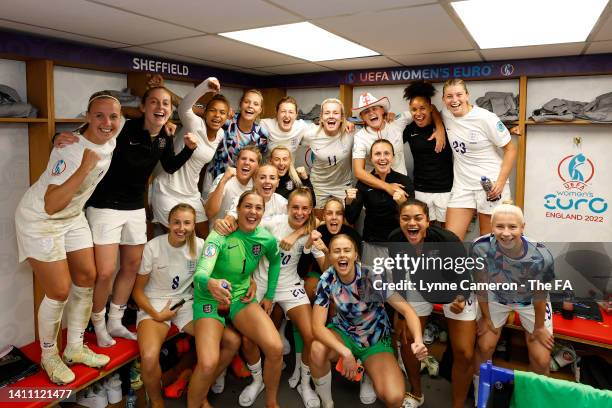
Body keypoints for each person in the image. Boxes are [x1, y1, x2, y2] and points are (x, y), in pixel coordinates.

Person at [14, 91, 120, 384]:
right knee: (59, 291)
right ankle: (49, 355)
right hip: (41, 219)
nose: (107, 122)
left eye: (113, 116)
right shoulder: (69, 150)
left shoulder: (110, 135)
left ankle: (74, 346)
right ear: (87, 116)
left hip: (72, 216)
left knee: (88, 274)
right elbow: (51, 203)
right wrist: (84, 166)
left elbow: (118, 122)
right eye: (99, 115)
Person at [133, 203, 242, 408]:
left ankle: (199, 390)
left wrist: (250, 281)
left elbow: (225, 267)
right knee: (148, 357)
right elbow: (137, 291)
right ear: (168, 223)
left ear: (193, 226)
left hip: (186, 302)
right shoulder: (153, 247)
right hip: (156, 303)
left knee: (232, 341)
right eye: (176, 222)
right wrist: (156, 314)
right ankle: (157, 402)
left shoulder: (200, 246)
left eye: (187, 223)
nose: (181, 228)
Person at [188, 191, 283, 408]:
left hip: (240, 298)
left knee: (275, 348)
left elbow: (275, 262)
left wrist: (269, 295)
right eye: (248, 206)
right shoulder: (219, 235)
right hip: (209, 299)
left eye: (258, 208)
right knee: (208, 363)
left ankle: (271, 402)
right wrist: (210, 282)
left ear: (263, 212)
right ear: (238, 210)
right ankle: (196, 399)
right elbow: (201, 274)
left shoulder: (265, 238)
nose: (253, 212)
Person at [309, 234, 428, 408]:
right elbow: (317, 327)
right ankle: (327, 403)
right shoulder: (327, 280)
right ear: (331, 256)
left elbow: (407, 310)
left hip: (374, 339)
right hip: (345, 334)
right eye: (337, 251)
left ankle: (368, 371)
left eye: (347, 250)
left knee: (394, 398)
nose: (342, 255)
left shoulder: (371, 277)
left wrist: (418, 340)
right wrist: (346, 352)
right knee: (317, 348)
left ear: (356, 255)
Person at [388, 199, 475, 408]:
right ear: (399, 221)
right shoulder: (395, 240)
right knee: (407, 340)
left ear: (428, 221)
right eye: (405, 218)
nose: (412, 223)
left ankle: (458, 405)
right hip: (419, 284)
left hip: (453, 288)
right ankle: (417, 393)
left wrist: (461, 298)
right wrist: (401, 315)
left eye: (418, 218)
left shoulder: (448, 240)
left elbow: (463, 275)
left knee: (464, 351)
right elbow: (400, 276)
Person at [240, 188, 320, 407]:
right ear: (287, 207)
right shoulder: (272, 222)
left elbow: (316, 225)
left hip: (289, 284)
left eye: (305, 208)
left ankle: (305, 384)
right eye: (295, 207)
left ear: (310, 210)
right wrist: (249, 279)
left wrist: (299, 235)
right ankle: (258, 381)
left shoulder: (311, 230)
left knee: (311, 335)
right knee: (247, 338)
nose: (299, 212)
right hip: (260, 283)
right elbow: (246, 230)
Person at [472, 203, 554, 396]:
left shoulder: (540, 254)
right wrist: (486, 317)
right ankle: (480, 396)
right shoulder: (480, 247)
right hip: (496, 298)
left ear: (523, 227)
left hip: (530, 302)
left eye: (512, 227)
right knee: (484, 346)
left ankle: (534, 399)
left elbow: (540, 294)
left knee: (541, 358)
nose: (506, 233)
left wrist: (540, 327)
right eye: (500, 227)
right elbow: (480, 284)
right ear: (491, 227)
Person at [441, 78, 518, 240]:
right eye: (449, 96)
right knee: (450, 241)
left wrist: (501, 182)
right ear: (444, 99)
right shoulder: (446, 114)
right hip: (463, 185)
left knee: (488, 241)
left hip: (490, 185)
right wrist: (439, 128)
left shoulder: (485, 118)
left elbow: (510, 149)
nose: (454, 100)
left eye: (459, 95)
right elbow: (433, 111)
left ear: (467, 95)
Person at [151, 77, 227, 238]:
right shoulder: (195, 124)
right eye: (213, 110)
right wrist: (206, 85)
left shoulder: (221, 134)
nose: (217, 116)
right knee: (179, 240)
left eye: (222, 113)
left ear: (227, 118)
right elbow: (184, 107)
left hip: (191, 194)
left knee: (205, 237)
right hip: (167, 190)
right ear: (205, 113)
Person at [351, 92, 445, 199]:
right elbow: (358, 172)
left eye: (375, 109)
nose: (371, 113)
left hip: (401, 184)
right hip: (374, 187)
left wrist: (440, 128)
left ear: (382, 110)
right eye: (366, 111)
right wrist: (387, 187)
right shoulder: (360, 137)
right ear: (362, 117)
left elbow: (430, 108)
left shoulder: (397, 121)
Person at [402, 81, 453, 225]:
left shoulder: (444, 123)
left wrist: (439, 127)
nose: (418, 113)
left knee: (446, 234)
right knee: (425, 232)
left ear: (430, 108)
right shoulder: (410, 129)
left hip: (445, 189)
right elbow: (390, 139)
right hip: (420, 190)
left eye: (422, 108)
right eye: (414, 109)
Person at [345, 139, 414, 242]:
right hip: (372, 241)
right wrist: (348, 202)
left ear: (393, 157)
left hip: (398, 242)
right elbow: (351, 218)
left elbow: (413, 217)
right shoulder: (363, 182)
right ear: (371, 159)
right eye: (377, 154)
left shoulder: (404, 180)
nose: (382, 158)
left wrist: (403, 203)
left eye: (386, 153)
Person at [206, 89, 268, 187]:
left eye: (256, 104)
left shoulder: (261, 135)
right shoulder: (226, 122)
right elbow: (207, 114)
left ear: (260, 109)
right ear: (240, 104)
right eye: (246, 102)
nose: (250, 106)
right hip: (216, 177)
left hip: (242, 182)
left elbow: (260, 162)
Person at [304, 198, 362, 300]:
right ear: (324, 216)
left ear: (343, 217)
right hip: (321, 273)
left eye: (338, 213)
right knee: (310, 286)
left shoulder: (352, 235)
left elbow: (356, 268)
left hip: (346, 273)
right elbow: (325, 270)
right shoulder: (318, 233)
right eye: (329, 213)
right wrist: (326, 252)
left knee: (336, 298)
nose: (334, 217)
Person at [301, 98, 355, 207]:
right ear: (321, 118)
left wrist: (388, 116)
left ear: (342, 117)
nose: (331, 116)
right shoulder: (311, 135)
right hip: (319, 186)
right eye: (327, 113)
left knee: (343, 220)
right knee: (318, 220)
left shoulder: (350, 133)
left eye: (335, 113)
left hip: (343, 186)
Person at [205, 145, 260, 226]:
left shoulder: (256, 185)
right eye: (243, 159)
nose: (246, 162)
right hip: (217, 233)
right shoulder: (223, 178)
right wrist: (223, 180)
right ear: (237, 162)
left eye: (252, 160)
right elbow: (209, 213)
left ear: (257, 167)